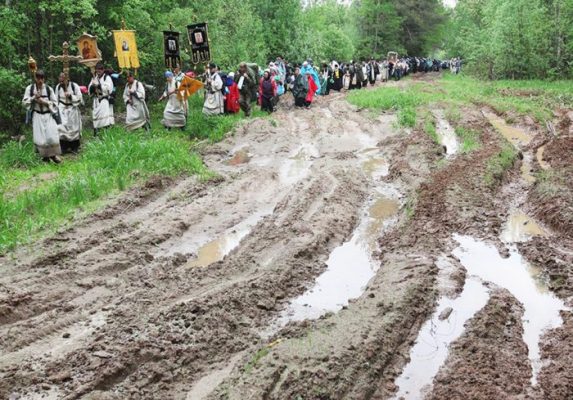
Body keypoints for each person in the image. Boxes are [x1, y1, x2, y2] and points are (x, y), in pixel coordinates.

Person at [22, 70, 62, 163]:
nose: (40, 80)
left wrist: (44, 102)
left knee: (52, 136)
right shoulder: (30, 88)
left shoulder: (48, 89)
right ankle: (45, 157)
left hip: (48, 115)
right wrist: (34, 98)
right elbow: (24, 102)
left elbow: (55, 104)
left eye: (42, 78)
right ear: (35, 78)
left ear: (44, 79)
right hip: (37, 115)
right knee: (41, 139)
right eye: (38, 78)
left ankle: (53, 156)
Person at [55, 72, 83, 153]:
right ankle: (64, 147)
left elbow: (79, 98)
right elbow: (56, 99)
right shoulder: (58, 87)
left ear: (67, 78)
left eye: (62, 77)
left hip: (72, 109)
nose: (60, 79)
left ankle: (75, 147)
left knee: (73, 128)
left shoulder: (74, 86)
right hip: (62, 109)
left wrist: (70, 96)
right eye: (60, 77)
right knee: (62, 127)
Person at [88, 62, 114, 135]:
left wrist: (99, 85)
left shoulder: (107, 78)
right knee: (96, 118)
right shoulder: (94, 78)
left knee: (104, 118)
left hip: (103, 100)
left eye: (100, 69)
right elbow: (89, 89)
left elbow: (109, 88)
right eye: (97, 69)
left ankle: (106, 133)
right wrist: (92, 87)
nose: (98, 71)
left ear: (103, 70)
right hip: (96, 101)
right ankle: (96, 134)